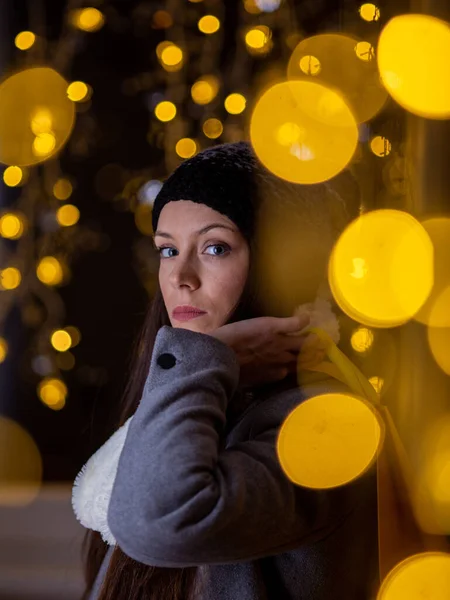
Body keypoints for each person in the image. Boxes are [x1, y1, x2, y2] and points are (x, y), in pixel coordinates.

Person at [73, 141, 379, 600]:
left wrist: (207, 358)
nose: (180, 277)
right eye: (168, 250)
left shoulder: (327, 422)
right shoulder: (201, 400)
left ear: (277, 267)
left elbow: (154, 522)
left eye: (215, 247)